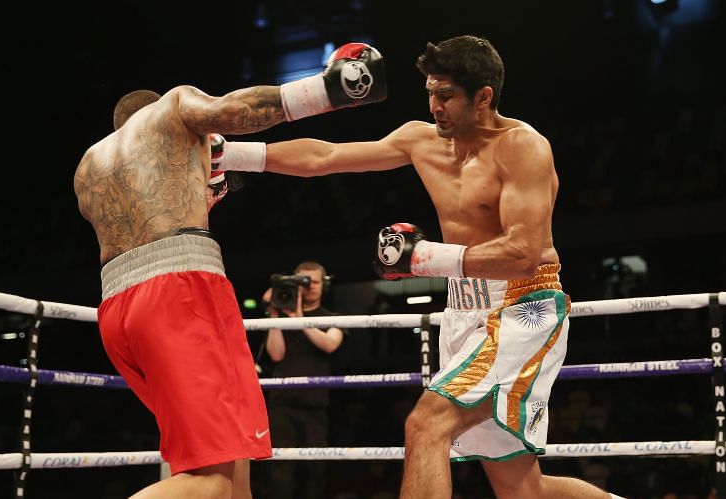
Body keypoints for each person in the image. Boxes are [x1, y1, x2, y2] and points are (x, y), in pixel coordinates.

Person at [218, 35, 622, 498]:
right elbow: (324, 157)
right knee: (520, 489)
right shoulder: (421, 141)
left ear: (484, 96)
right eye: (430, 92)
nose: (434, 106)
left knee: (426, 424)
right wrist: (232, 153)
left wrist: (426, 257)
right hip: (463, 310)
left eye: (446, 95)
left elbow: (522, 253)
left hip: (521, 305)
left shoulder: (522, 148)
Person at [73, 43, 385, 499]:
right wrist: (327, 91)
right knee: (211, 483)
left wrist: (208, 187)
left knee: (234, 466)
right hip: (178, 292)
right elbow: (230, 111)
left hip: (119, 307)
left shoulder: (88, 168)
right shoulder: (174, 108)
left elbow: (152, 219)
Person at [261, 261, 344, 499]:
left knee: (314, 473)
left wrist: (299, 319)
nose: (309, 287)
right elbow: (275, 354)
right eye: (303, 282)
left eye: (314, 282)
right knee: (279, 474)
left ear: (324, 284)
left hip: (315, 405)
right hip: (282, 404)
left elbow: (330, 344)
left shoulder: (332, 317)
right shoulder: (283, 315)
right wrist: (276, 315)